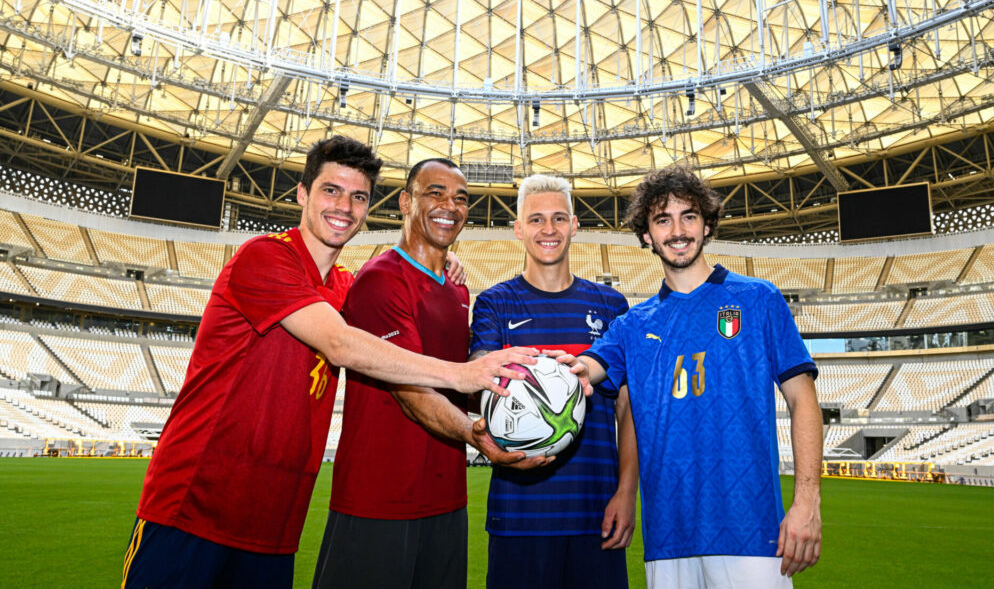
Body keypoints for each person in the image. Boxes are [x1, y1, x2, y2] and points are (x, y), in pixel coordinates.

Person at [122, 139, 536, 589]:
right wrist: (460, 373)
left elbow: (390, 282)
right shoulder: (264, 257)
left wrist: (440, 258)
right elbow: (340, 344)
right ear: (302, 194)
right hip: (193, 505)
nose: (344, 206)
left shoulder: (345, 285)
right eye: (330, 191)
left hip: (274, 525)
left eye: (358, 197)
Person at [569, 165, 823, 588]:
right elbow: (584, 369)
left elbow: (803, 400)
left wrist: (807, 501)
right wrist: (536, 372)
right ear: (647, 235)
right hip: (669, 540)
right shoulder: (634, 324)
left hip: (754, 533)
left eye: (689, 216)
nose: (678, 230)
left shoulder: (758, 299)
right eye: (662, 219)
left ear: (707, 225)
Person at [312, 159, 549, 589]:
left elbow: (461, 381)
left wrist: (533, 393)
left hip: (445, 501)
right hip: (378, 500)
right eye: (434, 193)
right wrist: (480, 435)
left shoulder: (457, 287)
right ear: (406, 202)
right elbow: (412, 391)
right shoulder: (380, 281)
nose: (450, 205)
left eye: (460, 198)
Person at [469, 174, 639, 589]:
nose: (549, 230)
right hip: (519, 514)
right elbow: (478, 378)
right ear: (519, 229)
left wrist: (627, 492)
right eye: (537, 219)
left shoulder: (611, 304)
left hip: (596, 512)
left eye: (559, 219)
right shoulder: (495, 302)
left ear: (575, 225)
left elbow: (627, 407)